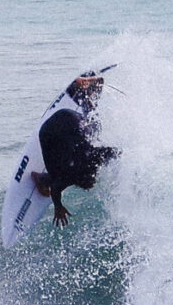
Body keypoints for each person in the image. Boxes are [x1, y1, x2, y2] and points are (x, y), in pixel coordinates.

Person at [31, 74, 119, 227]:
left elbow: (115, 152)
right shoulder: (68, 176)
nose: (93, 183)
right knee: (55, 174)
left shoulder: (95, 157)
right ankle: (40, 178)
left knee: (94, 126)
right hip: (49, 130)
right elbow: (55, 189)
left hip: (69, 119)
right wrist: (58, 207)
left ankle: (88, 88)